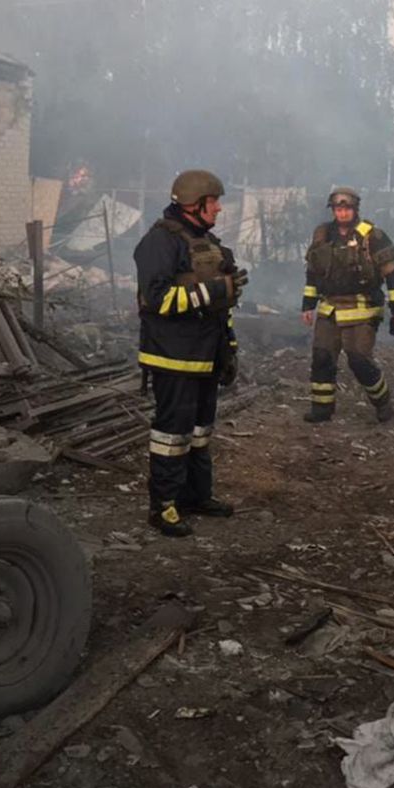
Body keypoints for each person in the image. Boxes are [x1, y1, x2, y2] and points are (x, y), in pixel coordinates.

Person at [134, 169, 246, 537]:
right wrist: (216, 289)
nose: (219, 209)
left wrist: (228, 348)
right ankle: (163, 506)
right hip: (173, 357)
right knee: (172, 435)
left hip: (206, 355)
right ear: (193, 204)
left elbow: (221, 308)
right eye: (213, 202)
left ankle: (196, 496)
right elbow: (159, 300)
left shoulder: (208, 243)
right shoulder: (159, 242)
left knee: (200, 432)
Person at [301, 187, 394, 423]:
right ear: (333, 210)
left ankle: (383, 403)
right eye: (338, 209)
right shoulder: (323, 235)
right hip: (330, 307)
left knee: (359, 360)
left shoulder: (372, 237)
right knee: (321, 357)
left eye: (347, 209)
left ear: (355, 209)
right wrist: (308, 305)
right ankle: (321, 409)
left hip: (362, 307)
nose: (342, 213)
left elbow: (393, 274)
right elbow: (313, 272)